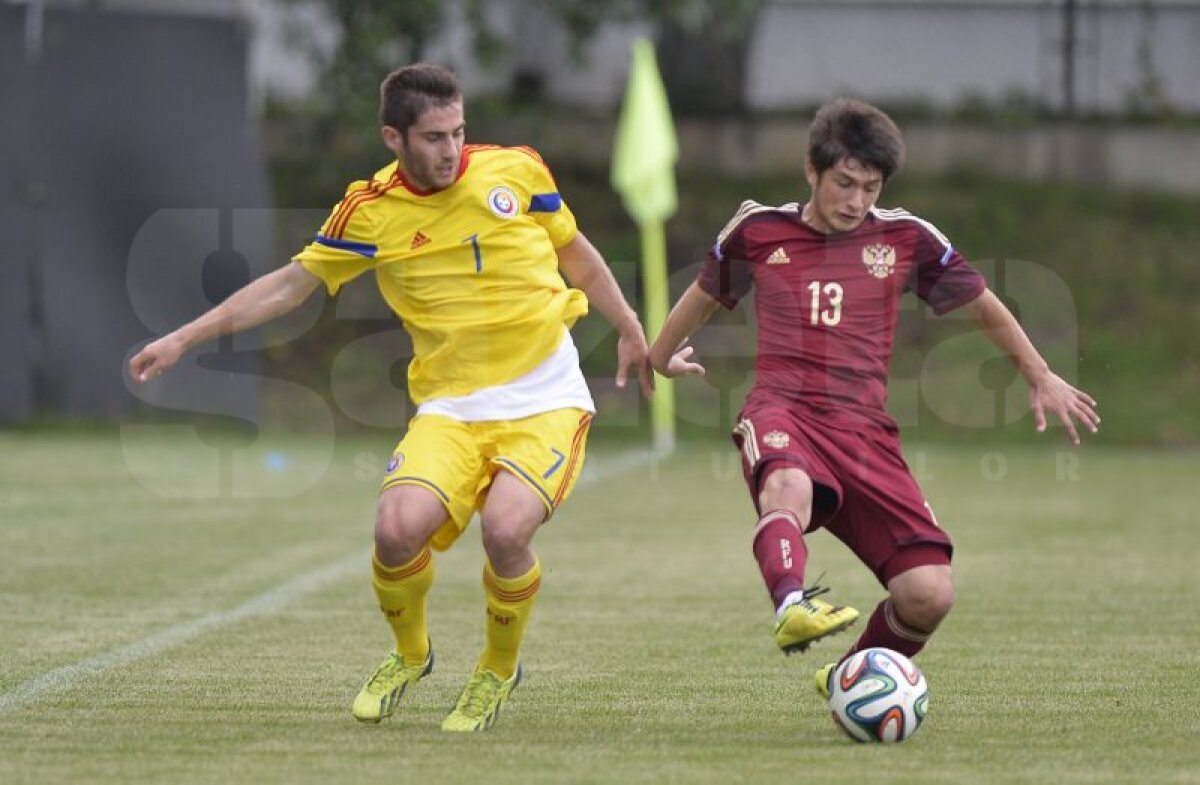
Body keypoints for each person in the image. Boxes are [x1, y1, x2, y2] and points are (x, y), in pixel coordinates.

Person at [129, 63, 655, 732]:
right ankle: (411, 653)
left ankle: (496, 666)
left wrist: (631, 328)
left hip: (544, 395)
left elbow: (575, 251)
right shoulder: (368, 209)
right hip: (450, 407)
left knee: (506, 527)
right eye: (434, 136)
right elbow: (291, 286)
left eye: (459, 131)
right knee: (395, 528)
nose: (450, 150)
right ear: (393, 137)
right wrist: (183, 337)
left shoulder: (517, 172)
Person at [647, 97, 1100, 698]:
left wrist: (1040, 374)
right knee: (789, 488)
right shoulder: (758, 230)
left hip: (865, 434)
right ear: (812, 170)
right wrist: (659, 356)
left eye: (870, 186)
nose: (856, 201)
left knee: (929, 594)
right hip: (783, 409)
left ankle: (846, 680)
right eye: (844, 183)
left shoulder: (907, 237)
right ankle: (791, 607)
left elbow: (984, 304)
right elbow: (704, 296)